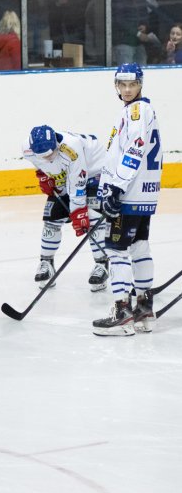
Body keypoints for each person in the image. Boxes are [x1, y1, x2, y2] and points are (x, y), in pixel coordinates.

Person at [93, 63, 162, 336]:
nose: (127, 90)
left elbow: (133, 149)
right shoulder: (144, 110)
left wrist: (117, 187)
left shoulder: (135, 111)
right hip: (145, 191)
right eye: (122, 85)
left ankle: (122, 310)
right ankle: (144, 306)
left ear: (141, 84)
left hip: (129, 192)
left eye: (132, 84)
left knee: (116, 248)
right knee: (140, 245)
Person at [23, 125, 109, 292]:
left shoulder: (71, 149)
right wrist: (44, 176)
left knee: (92, 216)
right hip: (67, 171)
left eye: (50, 154)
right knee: (52, 216)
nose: (47, 158)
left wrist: (78, 212)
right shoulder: (27, 149)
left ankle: (102, 265)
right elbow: (42, 165)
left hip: (94, 170)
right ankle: (46, 263)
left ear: (56, 144)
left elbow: (78, 183)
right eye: (43, 156)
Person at [113, 0, 157, 65]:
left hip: (139, 42)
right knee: (127, 75)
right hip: (124, 42)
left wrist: (145, 25)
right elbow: (119, 20)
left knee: (142, 72)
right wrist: (137, 33)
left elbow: (144, 12)